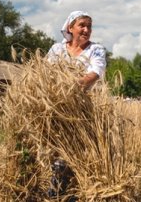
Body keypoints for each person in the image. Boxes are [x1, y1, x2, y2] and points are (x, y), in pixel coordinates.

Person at [46, 11, 106, 198]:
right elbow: (44, 73)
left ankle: (72, 192)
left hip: (82, 108)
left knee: (76, 152)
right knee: (53, 150)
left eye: (89, 26)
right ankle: (54, 190)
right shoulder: (57, 49)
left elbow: (96, 72)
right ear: (70, 27)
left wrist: (70, 87)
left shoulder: (96, 50)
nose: (86, 29)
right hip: (54, 107)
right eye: (82, 25)